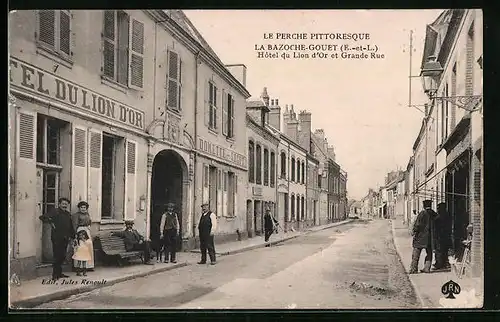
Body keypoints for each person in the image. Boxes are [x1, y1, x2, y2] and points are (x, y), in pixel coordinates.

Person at [39, 197, 75, 280]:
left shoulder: (68, 214)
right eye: (63, 204)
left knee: (62, 256)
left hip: (65, 238)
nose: (64, 205)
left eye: (66, 204)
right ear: (59, 204)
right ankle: (55, 275)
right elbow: (42, 217)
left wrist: (73, 236)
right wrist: (51, 222)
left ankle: (59, 273)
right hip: (56, 237)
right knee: (57, 256)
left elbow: (70, 226)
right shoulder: (55, 211)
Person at [410, 199, 438, 274]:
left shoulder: (422, 214)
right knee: (429, 253)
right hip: (430, 237)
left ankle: (413, 269)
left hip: (420, 237)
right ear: (430, 205)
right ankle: (427, 268)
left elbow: (417, 225)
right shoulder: (434, 214)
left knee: (416, 253)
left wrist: (414, 231)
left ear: (424, 206)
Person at [71, 201, 94, 270]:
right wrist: (75, 234)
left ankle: (88, 266)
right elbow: (74, 225)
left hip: (87, 231)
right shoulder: (76, 215)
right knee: (80, 247)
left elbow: (89, 222)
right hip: (80, 231)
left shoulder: (87, 214)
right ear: (79, 208)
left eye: (84, 207)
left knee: (88, 246)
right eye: (81, 207)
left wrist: (89, 226)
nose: (83, 209)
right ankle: (78, 266)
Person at [433, 202, 452, 271]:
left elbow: (436, 227)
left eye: (438, 208)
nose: (437, 210)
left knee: (439, 250)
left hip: (439, 236)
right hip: (446, 236)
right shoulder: (448, 215)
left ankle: (439, 264)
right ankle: (444, 263)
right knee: (445, 250)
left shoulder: (438, 217)